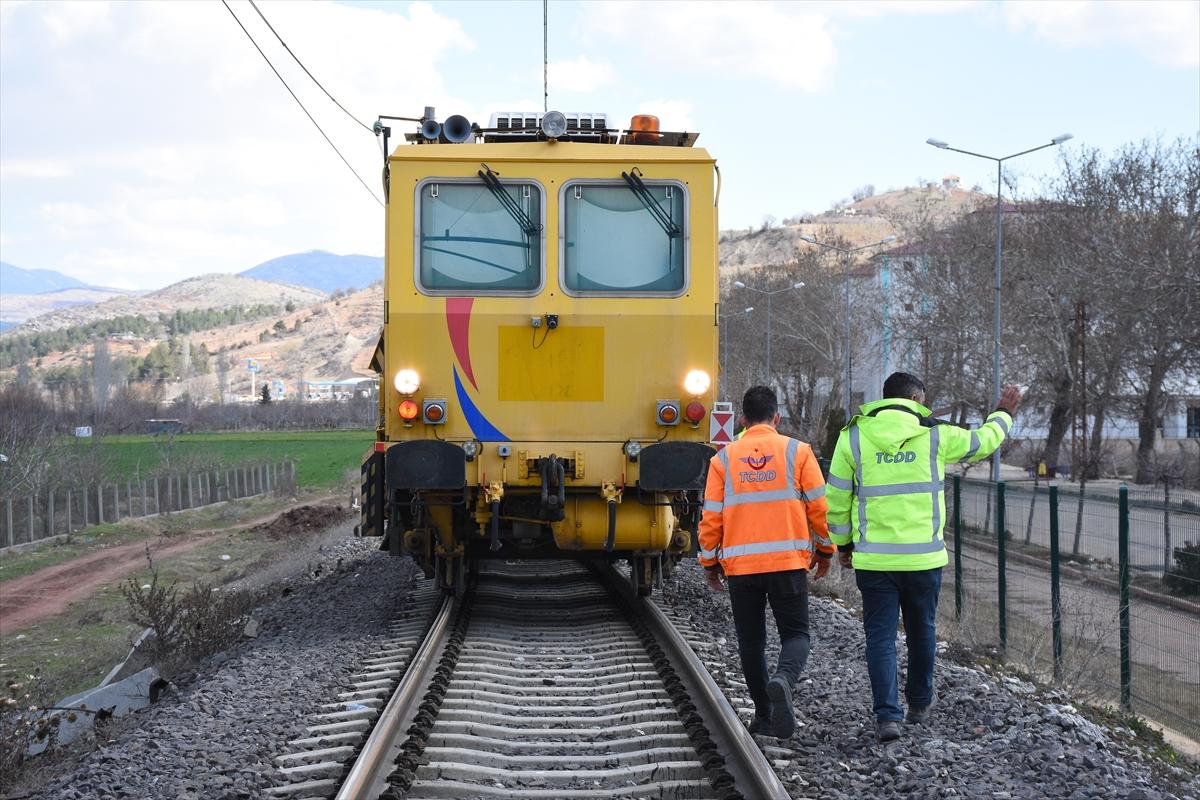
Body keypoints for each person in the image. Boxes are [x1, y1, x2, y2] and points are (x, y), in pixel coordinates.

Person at [826, 371, 1021, 742]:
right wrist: (1003, 414)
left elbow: (835, 500)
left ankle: (887, 716)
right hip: (923, 560)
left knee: (880, 638)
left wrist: (845, 546)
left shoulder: (852, 437)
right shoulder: (935, 435)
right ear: (916, 399)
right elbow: (983, 441)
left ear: (885, 400)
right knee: (922, 633)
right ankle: (918, 705)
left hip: (875, 562)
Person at [698, 385, 834, 738]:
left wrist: (709, 562)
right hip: (788, 563)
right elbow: (819, 508)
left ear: (742, 420)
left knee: (751, 641)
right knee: (796, 634)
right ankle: (784, 679)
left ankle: (764, 714)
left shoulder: (723, 460)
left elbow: (711, 517)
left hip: (742, 569)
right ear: (777, 417)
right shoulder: (799, 452)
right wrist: (825, 550)